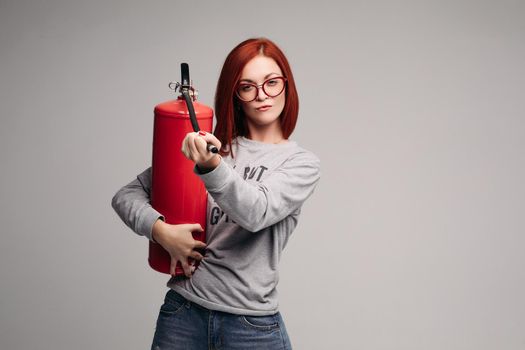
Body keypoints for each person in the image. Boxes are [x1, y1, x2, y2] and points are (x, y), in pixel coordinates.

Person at [111, 37, 321, 350]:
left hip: (250, 326)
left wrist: (210, 165)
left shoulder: (300, 163)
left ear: (286, 86)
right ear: (235, 95)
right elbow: (126, 196)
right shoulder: (213, 147)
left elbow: (255, 212)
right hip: (183, 312)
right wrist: (161, 232)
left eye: (272, 82)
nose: (262, 95)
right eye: (247, 86)